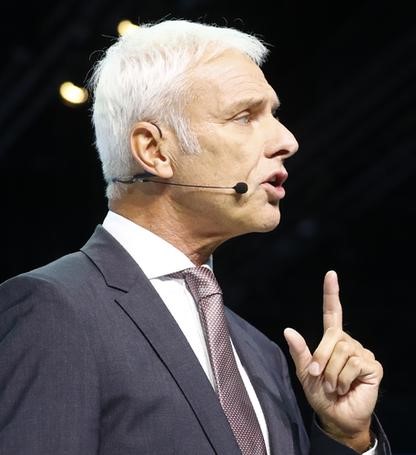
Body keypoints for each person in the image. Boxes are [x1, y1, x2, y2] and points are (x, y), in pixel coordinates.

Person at [0, 19, 390, 455]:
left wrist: (347, 437)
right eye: (245, 117)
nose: (287, 140)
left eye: (274, 115)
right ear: (154, 150)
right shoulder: (54, 311)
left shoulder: (261, 356)